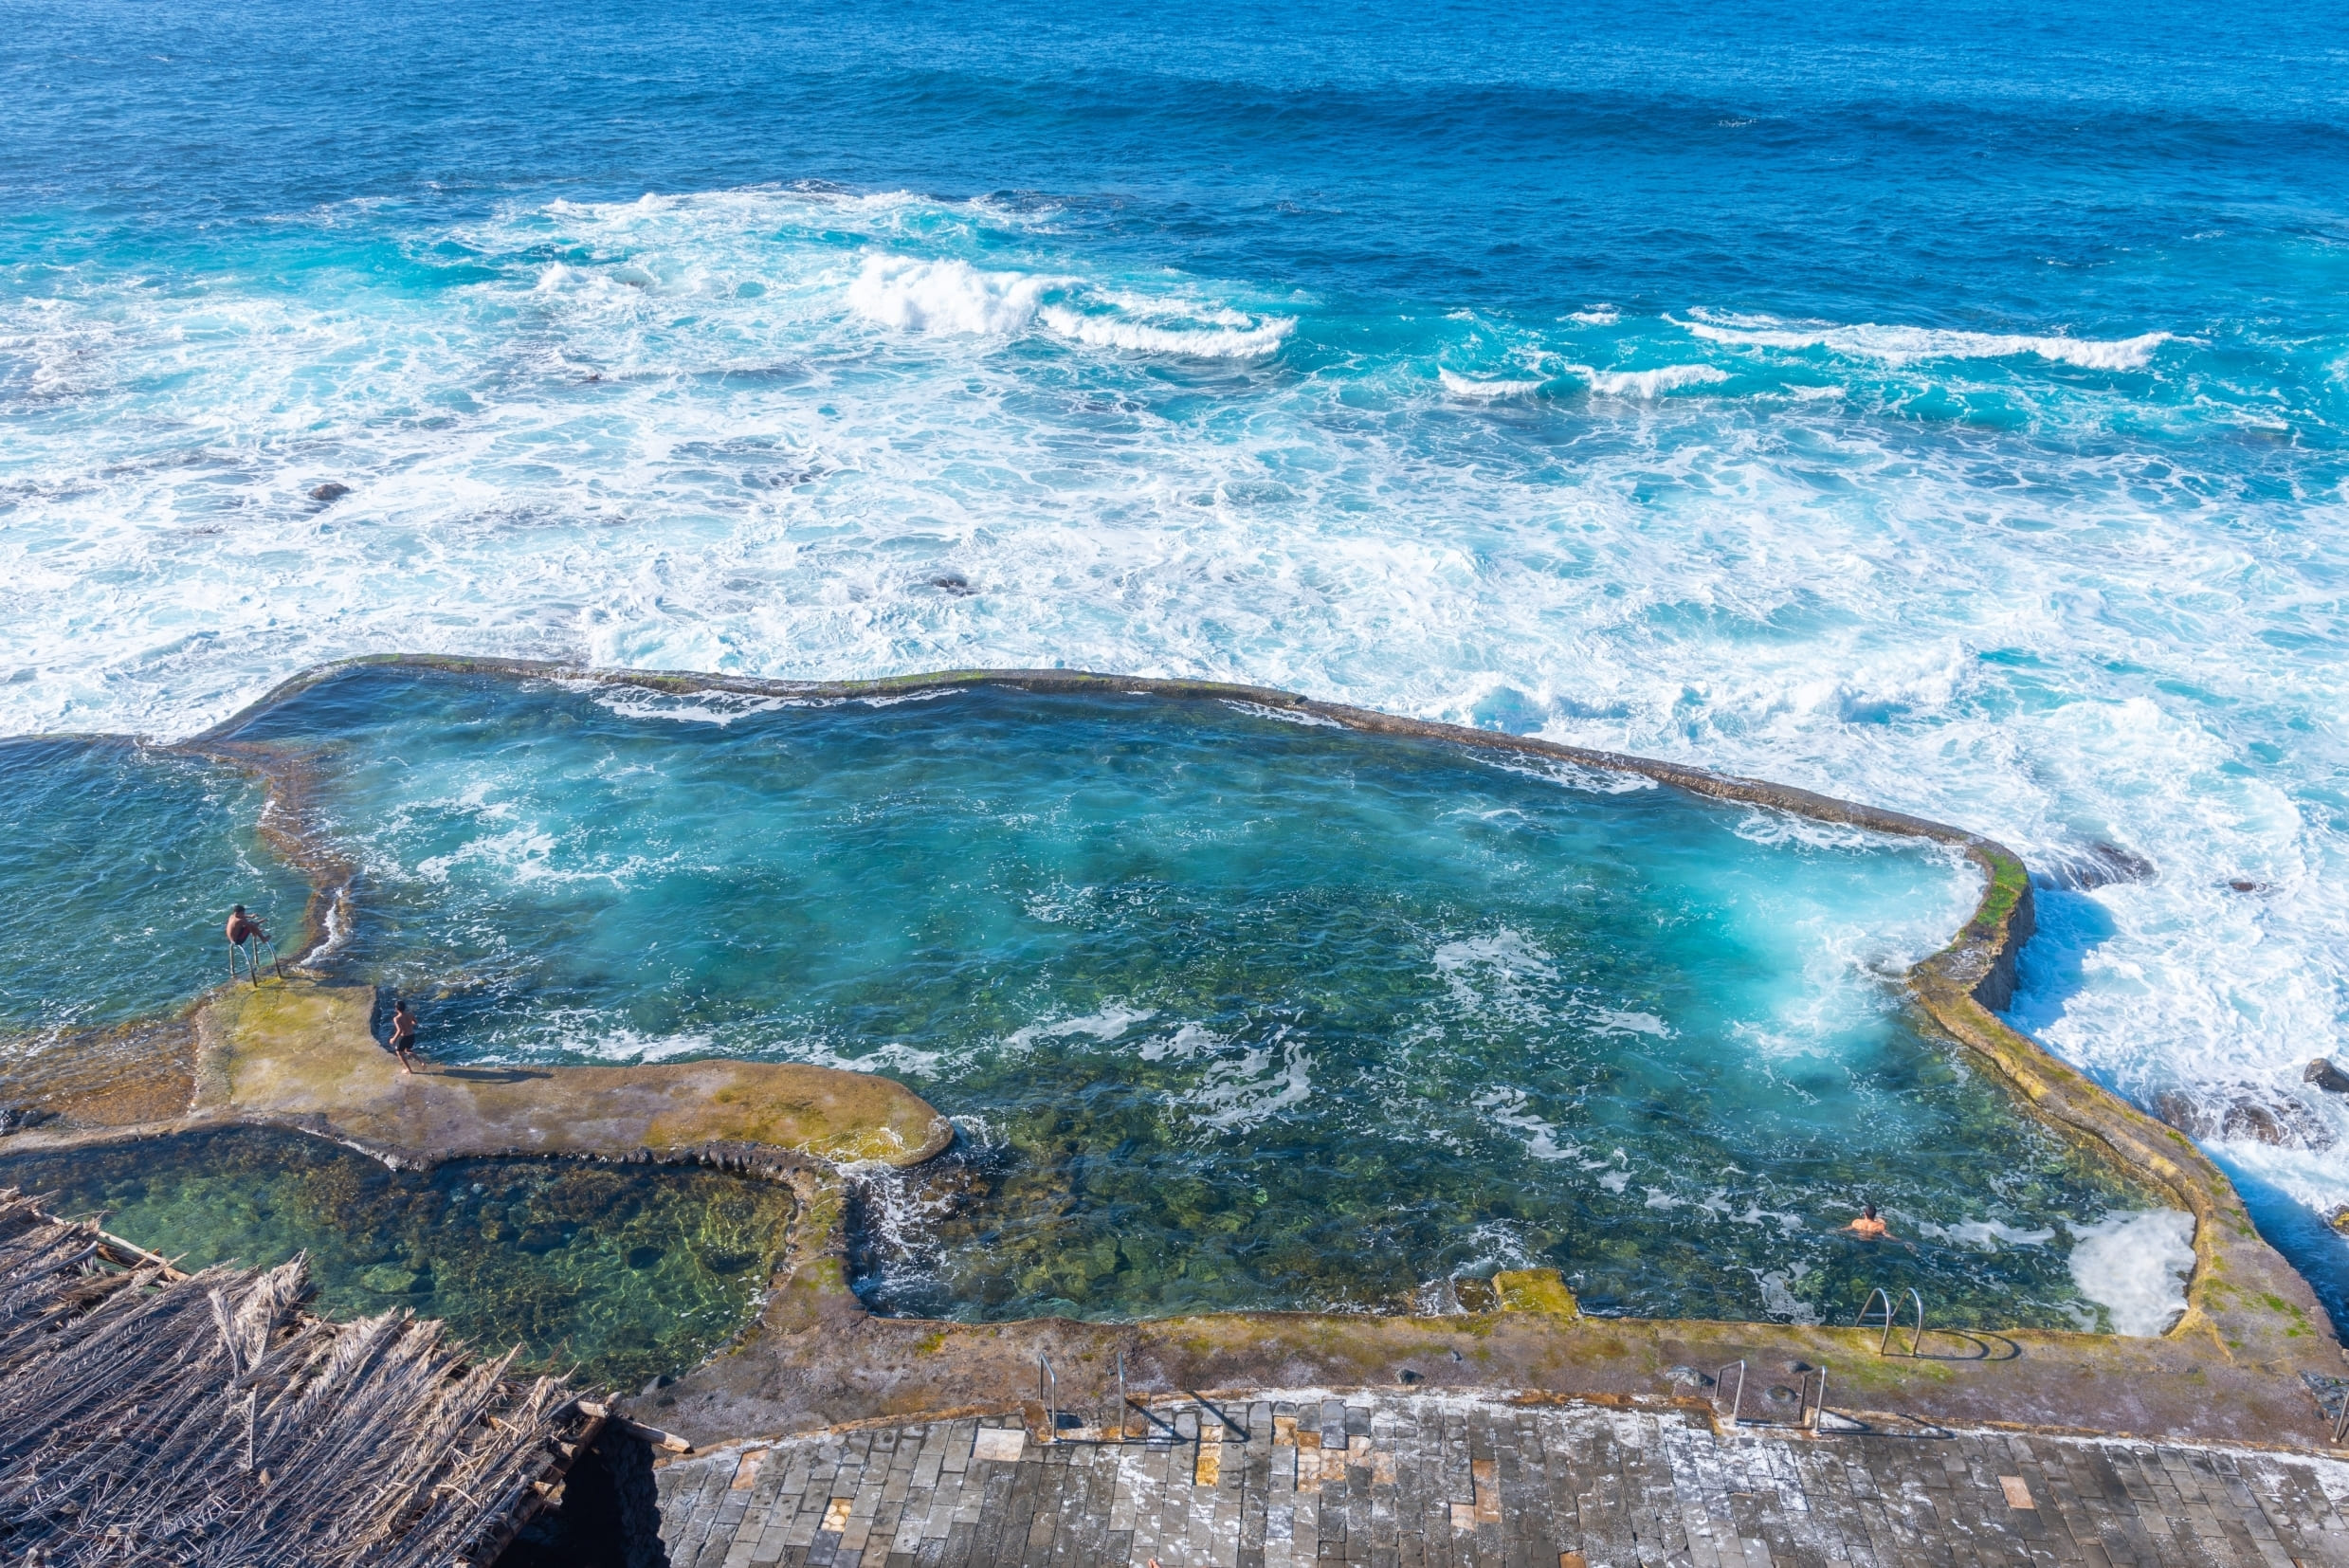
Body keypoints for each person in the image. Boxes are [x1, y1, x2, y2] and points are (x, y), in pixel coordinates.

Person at [225, 904, 268, 983]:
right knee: (251, 924)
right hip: (237, 941)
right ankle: (263, 939)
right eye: (242, 913)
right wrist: (262, 921)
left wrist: (250, 916)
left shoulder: (232, 916)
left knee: (248, 922)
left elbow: (243, 918)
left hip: (231, 939)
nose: (244, 914)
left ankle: (256, 932)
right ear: (237, 913)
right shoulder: (239, 920)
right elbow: (253, 925)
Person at [389, 999, 424, 1075]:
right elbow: (415, 1022)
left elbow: (400, 1030)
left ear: (396, 1009)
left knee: (399, 1053)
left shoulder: (397, 1018)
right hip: (411, 1036)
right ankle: (421, 1061)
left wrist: (393, 1039)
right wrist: (408, 1023)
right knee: (407, 1050)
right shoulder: (410, 1014)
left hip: (404, 1037)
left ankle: (409, 1070)